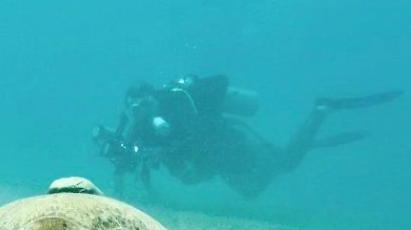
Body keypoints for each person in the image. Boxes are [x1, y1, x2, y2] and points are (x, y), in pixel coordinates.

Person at [93, 75, 402, 199]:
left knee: (288, 164)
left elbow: (200, 134)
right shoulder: (138, 127)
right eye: (133, 106)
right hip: (216, 162)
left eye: (145, 103)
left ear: (154, 99)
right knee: (252, 192)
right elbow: (130, 161)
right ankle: (306, 139)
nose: (140, 110)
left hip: (233, 145)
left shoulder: (177, 105)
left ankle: (322, 109)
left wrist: (168, 142)